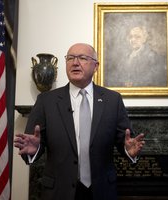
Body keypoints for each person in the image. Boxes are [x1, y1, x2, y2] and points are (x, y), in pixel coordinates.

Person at [14, 43, 145, 200]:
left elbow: (125, 141)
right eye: (70, 58)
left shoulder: (112, 100)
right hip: (59, 192)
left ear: (95, 66)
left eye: (82, 58)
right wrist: (34, 150)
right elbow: (33, 143)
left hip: (101, 191)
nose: (75, 62)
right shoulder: (46, 101)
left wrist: (129, 151)